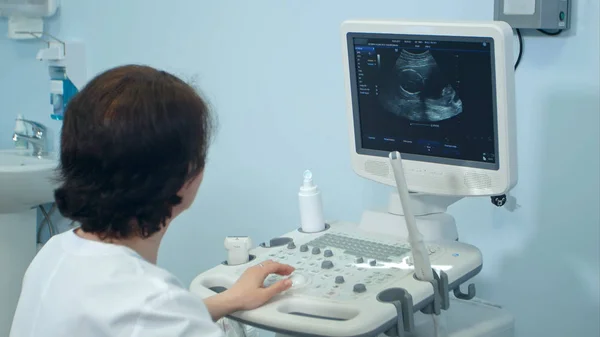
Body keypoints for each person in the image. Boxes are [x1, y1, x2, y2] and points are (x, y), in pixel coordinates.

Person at [10, 65, 295, 337]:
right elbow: (149, 318)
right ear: (186, 176)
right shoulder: (152, 303)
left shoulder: (54, 254)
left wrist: (230, 299)